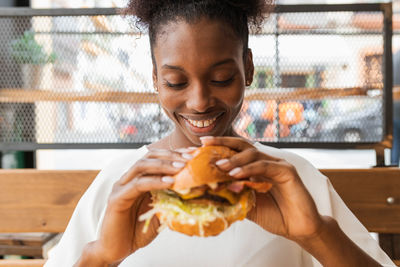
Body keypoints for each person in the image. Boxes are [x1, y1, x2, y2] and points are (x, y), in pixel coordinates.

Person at [45, 1, 395, 266]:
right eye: (175, 82)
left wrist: (317, 234)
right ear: (155, 79)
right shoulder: (122, 183)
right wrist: (101, 257)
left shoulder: (291, 179)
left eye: (222, 78)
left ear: (248, 68)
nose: (198, 102)